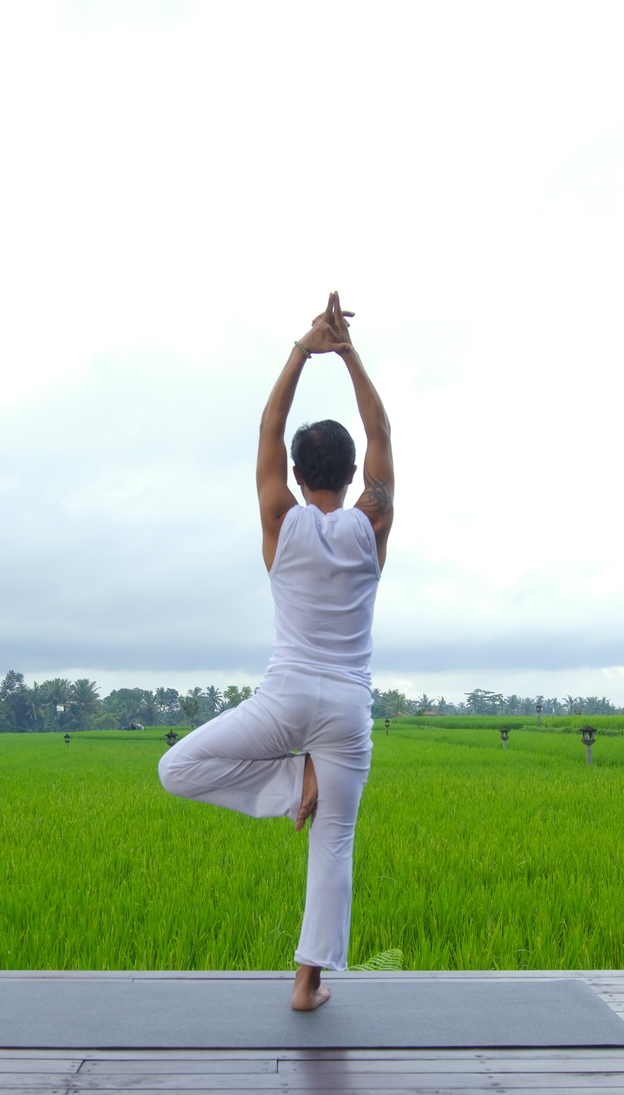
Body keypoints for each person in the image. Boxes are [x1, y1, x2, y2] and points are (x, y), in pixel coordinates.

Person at [158, 291, 394, 1012]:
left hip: (287, 696)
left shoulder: (278, 521)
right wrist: (349, 352)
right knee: (335, 845)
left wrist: (304, 348)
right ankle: (307, 982)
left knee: (178, 767)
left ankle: (295, 787)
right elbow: (381, 427)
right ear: (353, 477)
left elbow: (268, 424)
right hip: (347, 710)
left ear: (295, 476)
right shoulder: (371, 526)